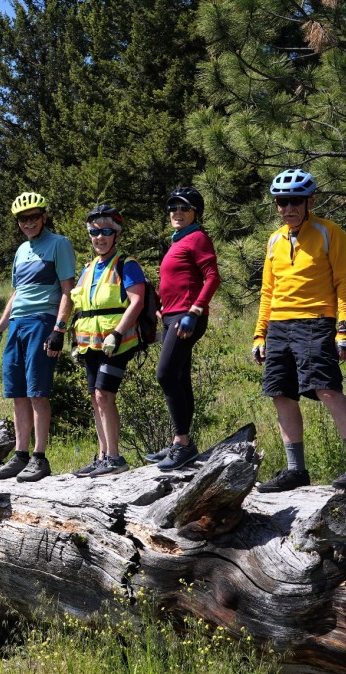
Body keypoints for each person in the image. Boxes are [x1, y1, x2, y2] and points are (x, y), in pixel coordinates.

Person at [253, 169, 346, 491]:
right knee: (280, 394)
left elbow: (344, 282)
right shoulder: (275, 240)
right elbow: (268, 291)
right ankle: (296, 471)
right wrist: (259, 333)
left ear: (310, 201)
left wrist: (345, 328)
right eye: (281, 202)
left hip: (316, 321)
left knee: (326, 389)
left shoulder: (328, 232)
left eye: (295, 201)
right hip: (278, 324)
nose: (288, 208)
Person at [0, 192, 76, 482]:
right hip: (17, 324)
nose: (29, 223)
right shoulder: (21, 250)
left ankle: (39, 458)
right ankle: (20, 455)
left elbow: (68, 291)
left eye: (34, 217)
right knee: (18, 394)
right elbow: (16, 293)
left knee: (38, 392)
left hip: (42, 321)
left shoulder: (59, 244)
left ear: (44, 216)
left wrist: (59, 329)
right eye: (23, 219)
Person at [144, 187, 221, 470]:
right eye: (173, 208)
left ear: (195, 213)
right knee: (179, 376)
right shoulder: (178, 241)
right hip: (173, 315)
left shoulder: (198, 238)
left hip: (187, 316)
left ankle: (183, 442)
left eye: (184, 208)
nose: (177, 213)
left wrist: (195, 310)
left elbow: (213, 277)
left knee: (164, 374)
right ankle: (181, 443)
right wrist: (163, 305)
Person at [68, 206, 146, 477]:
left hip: (116, 342)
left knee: (104, 395)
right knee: (95, 397)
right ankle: (102, 456)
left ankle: (114, 457)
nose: (99, 237)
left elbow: (137, 301)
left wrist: (117, 333)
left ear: (116, 234)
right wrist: (74, 341)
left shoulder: (127, 264)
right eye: (94, 232)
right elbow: (80, 305)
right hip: (89, 343)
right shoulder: (88, 268)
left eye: (106, 232)